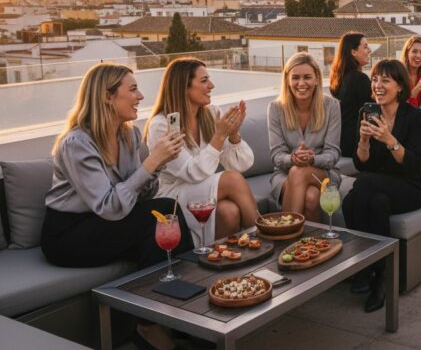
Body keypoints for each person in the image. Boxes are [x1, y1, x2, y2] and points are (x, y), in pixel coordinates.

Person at [41, 63, 193, 349]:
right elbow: (110, 205)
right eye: (132, 89)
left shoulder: (129, 135)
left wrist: (157, 164)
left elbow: (142, 195)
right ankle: (150, 325)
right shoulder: (77, 143)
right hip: (69, 234)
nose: (141, 96)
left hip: (107, 223)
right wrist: (149, 163)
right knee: (157, 219)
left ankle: (179, 313)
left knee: (167, 212)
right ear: (107, 97)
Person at [343, 59, 421, 312]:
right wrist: (364, 141)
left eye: (385, 80)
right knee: (372, 201)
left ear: (400, 86)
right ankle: (380, 274)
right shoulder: (369, 112)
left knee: (360, 189)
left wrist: (390, 140)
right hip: (379, 187)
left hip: (410, 187)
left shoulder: (414, 117)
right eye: (375, 80)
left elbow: (413, 165)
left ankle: (362, 267)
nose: (378, 86)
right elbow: (362, 163)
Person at [146, 57, 258, 244]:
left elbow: (242, 165)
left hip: (203, 190)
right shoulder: (162, 125)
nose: (211, 85)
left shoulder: (211, 113)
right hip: (173, 194)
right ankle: (263, 238)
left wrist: (233, 135)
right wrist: (219, 137)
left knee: (229, 212)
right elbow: (192, 173)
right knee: (231, 180)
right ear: (184, 87)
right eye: (204, 81)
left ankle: (221, 263)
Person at [269, 53, 341, 222]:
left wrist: (312, 158)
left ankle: (284, 235)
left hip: (324, 172)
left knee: (299, 171)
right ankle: (312, 246)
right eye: (295, 78)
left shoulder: (332, 106)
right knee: (311, 197)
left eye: (307, 77)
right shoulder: (275, 108)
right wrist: (293, 158)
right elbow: (276, 156)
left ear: (317, 79)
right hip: (284, 174)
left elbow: (333, 154)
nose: (301, 83)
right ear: (287, 80)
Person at [330, 32, 372, 158]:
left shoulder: (340, 77)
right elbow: (373, 113)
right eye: (365, 47)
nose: (369, 50)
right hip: (354, 143)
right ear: (353, 52)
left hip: (340, 141)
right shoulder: (359, 79)